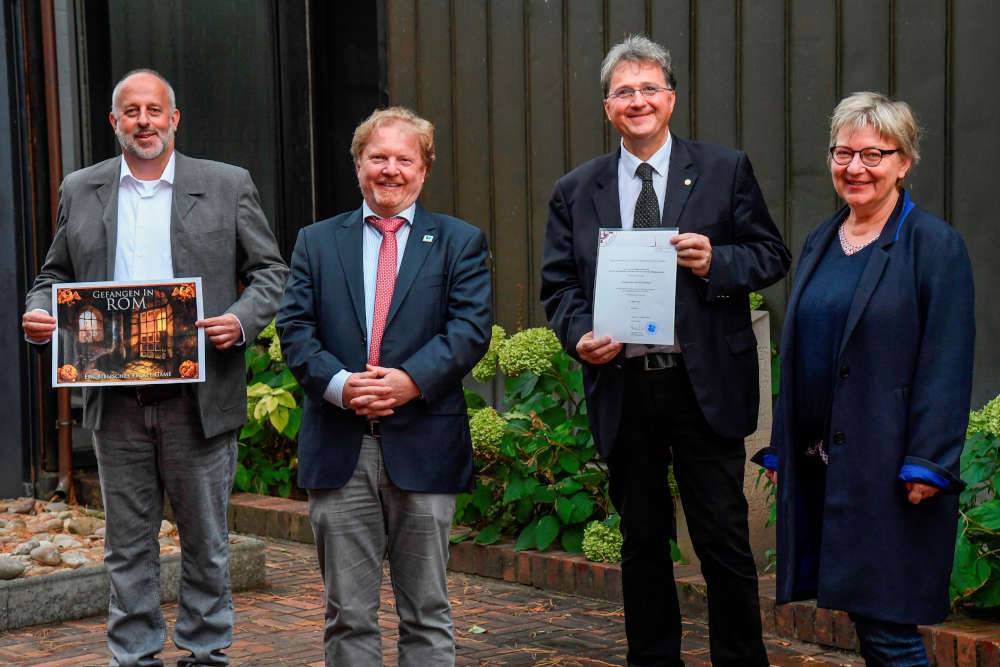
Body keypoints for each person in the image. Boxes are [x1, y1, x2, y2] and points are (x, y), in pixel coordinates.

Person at [21, 69, 289, 666]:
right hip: (115, 401)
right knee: (127, 545)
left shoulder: (225, 184)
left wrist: (241, 321)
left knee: (207, 544)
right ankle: (134, 655)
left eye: (155, 110)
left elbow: (272, 273)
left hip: (199, 398)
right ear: (114, 123)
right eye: (131, 111)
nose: (144, 121)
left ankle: (205, 653)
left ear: (174, 119)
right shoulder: (81, 188)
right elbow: (54, 278)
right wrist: (41, 313)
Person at [540, 34, 791, 666]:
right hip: (624, 386)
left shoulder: (725, 167)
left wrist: (718, 261)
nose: (637, 100)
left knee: (723, 539)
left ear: (671, 98)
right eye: (624, 91)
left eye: (649, 88)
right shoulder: (577, 189)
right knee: (642, 541)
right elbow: (559, 285)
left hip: (702, 382)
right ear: (607, 107)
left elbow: (770, 255)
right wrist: (579, 336)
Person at [755, 91, 974, 666]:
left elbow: (947, 362)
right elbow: (798, 353)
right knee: (863, 616)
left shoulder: (934, 246)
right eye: (843, 153)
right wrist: (783, 451)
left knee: (888, 625)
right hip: (826, 470)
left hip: (891, 469)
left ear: (904, 162)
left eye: (874, 155)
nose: (856, 168)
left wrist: (929, 460)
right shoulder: (822, 241)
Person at [276, 106, 492, 666]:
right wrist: (341, 386)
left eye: (404, 159)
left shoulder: (458, 242)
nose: (390, 170)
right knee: (347, 615)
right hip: (339, 444)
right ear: (358, 166)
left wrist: (410, 382)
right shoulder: (316, 242)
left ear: (424, 170)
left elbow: (469, 330)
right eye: (378, 157)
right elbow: (295, 330)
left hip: (424, 441)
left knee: (426, 611)